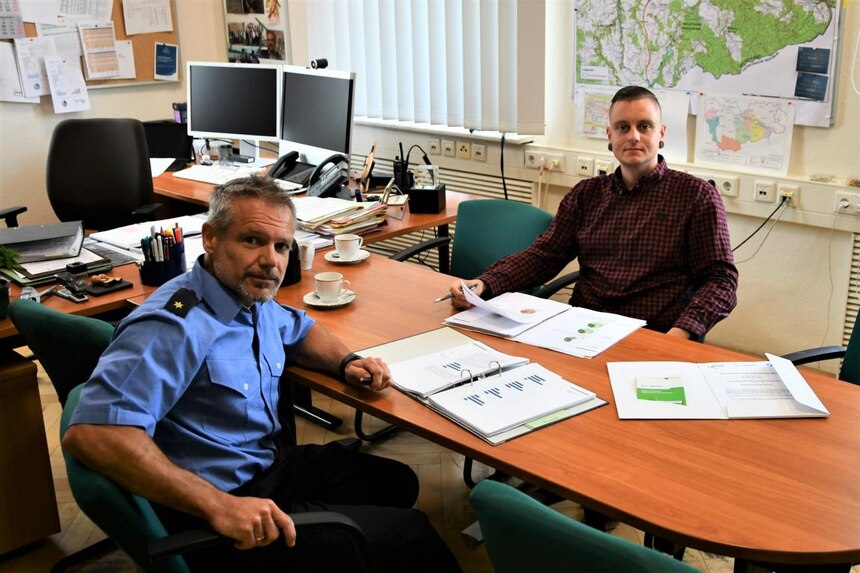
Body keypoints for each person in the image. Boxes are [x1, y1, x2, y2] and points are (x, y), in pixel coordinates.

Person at [63, 176, 462, 572]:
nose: (271, 260)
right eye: (252, 240)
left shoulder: (246, 295)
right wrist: (221, 506)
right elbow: (95, 433)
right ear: (211, 238)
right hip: (223, 508)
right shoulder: (173, 325)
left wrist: (346, 362)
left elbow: (300, 328)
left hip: (267, 465)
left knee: (397, 482)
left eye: (282, 246)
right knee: (412, 535)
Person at [448, 85, 738, 341]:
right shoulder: (586, 194)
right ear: (609, 136)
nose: (634, 136)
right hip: (582, 329)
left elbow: (721, 280)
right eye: (623, 127)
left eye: (645, 126)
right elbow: (543, 256)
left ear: (661, 133)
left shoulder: (696, 196)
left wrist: (681, 332)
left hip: (654, 332)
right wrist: (485, 283)